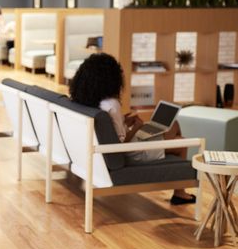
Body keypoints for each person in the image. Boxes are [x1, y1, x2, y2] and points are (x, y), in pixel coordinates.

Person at [69, 53, 196, 205]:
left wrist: (124, 122)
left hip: (102, 151)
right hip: (131, 152)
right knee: (182, 142)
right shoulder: (112, 105)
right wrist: (137, 127)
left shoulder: (87, 99)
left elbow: (111, 132)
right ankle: (179, 192)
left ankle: (178, 187)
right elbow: (121, 146)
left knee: (174, 125)